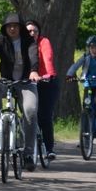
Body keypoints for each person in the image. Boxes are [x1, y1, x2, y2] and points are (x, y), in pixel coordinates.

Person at [0, 12, 40, 171]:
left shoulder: (29, 41)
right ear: (5, 28)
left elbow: (34, 56)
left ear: (20, 27)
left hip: (26, 82)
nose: (12, 29)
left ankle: (28, 153)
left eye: (15, 26)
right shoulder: (0, 41)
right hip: (6, 82)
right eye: (9, 26)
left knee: (30, 111)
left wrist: (33, 71)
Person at [26, 19, 58, 159]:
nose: (32, 33)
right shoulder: (21, 44)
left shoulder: (43, 42)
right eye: (29, 31)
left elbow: (47, 57)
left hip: (46, 81)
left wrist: (48, 74)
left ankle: (49, 148)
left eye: (35, 31)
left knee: (45, 115)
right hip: (27, 82)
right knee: (27, 114)